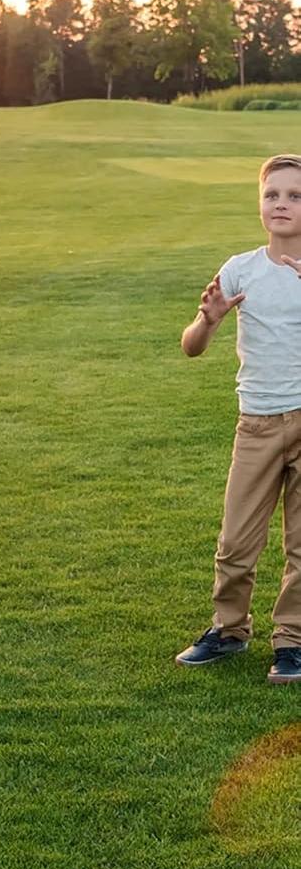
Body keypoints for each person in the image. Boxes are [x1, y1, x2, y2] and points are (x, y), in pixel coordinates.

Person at [176, 154, 301, 685]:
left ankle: (292, 641)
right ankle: (229, 630)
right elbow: (191, 346)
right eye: (273, 194)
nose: (282, 204)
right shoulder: (240, 269)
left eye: (295, 196)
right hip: (257, 423)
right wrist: (208, 320)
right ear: (260, 203)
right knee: (235, 541)